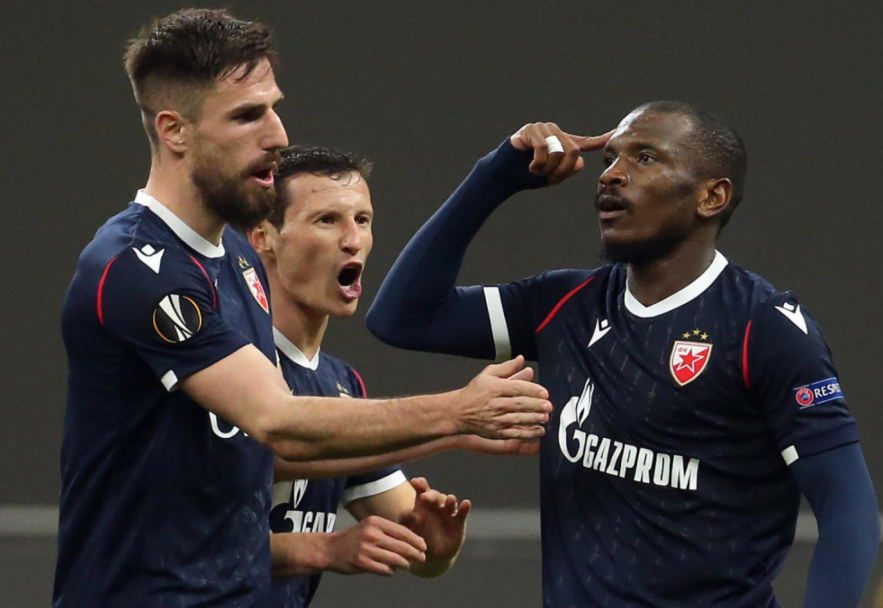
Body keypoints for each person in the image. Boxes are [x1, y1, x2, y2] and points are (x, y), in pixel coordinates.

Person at [54, 9, 551, 606]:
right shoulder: (136, 265)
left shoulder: (237, 260)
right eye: (246, 116)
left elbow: (257, 454)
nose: (277, 135)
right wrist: (458, 414)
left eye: (274, 108)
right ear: (174, 131)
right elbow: (279, 422)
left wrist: (448, 436)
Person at [366, 103, 880, 607]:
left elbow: (848, 509)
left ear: (712, 197)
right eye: (610, 157)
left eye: (645, 158)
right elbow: (402, 318)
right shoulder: (566, 304)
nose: (611, 174)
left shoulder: (763, 326)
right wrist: (495, 176)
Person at [250, 146, 502, 605]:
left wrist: (435, 544)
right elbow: (180, 541)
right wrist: (324, 548)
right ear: (263, 237)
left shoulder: (341, 385)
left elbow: (423, 554)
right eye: (327, 220)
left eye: (362, 220)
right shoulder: (225, 366)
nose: (353, 240)